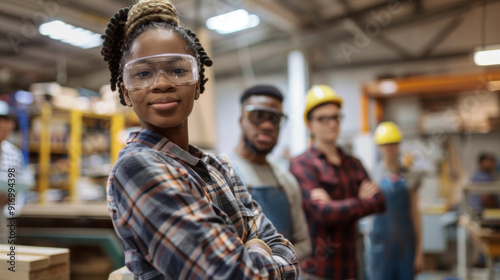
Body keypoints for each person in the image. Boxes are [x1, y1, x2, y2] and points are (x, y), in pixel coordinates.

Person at [101, 1, 299, 279]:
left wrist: (256, 257)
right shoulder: (137, 168)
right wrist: (256, 248)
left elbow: (287, 252)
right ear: (125, 92)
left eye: (178, 70)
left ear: (197, 83)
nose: (162, 83)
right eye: (143, 73)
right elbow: (230, 275)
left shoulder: (220, 167)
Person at [289, 85, 386, 280]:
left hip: (351, 265)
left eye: (335, 117)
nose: (331, 123)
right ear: (310, 125)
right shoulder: (302, 165)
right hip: (319, 269)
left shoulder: (353, 163)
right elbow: (324, 213)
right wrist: (359, 201)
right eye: (322, 119)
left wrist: (334, 204)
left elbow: (380, 201)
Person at [227, 85, 312, 261]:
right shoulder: (220, 174)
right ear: (241, 119)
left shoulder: (286, 181)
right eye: (257, 116)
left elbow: (304, 244)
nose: (266, 125)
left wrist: (272, 267)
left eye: (274, 119)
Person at [366, 121, 423, 280]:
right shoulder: (372, 177)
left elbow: (416, 213)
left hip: (406, 246)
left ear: (399, 145)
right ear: (379, 147)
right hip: (380, 247)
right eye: (384, 144)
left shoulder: (411, 176)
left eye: (392, 144)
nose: (389, 148)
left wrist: (419, 251)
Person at [0, 100, 34, 243]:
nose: (5, 126)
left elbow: (19, 183)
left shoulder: (13, 153)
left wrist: (9, 197)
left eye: (7, 121)